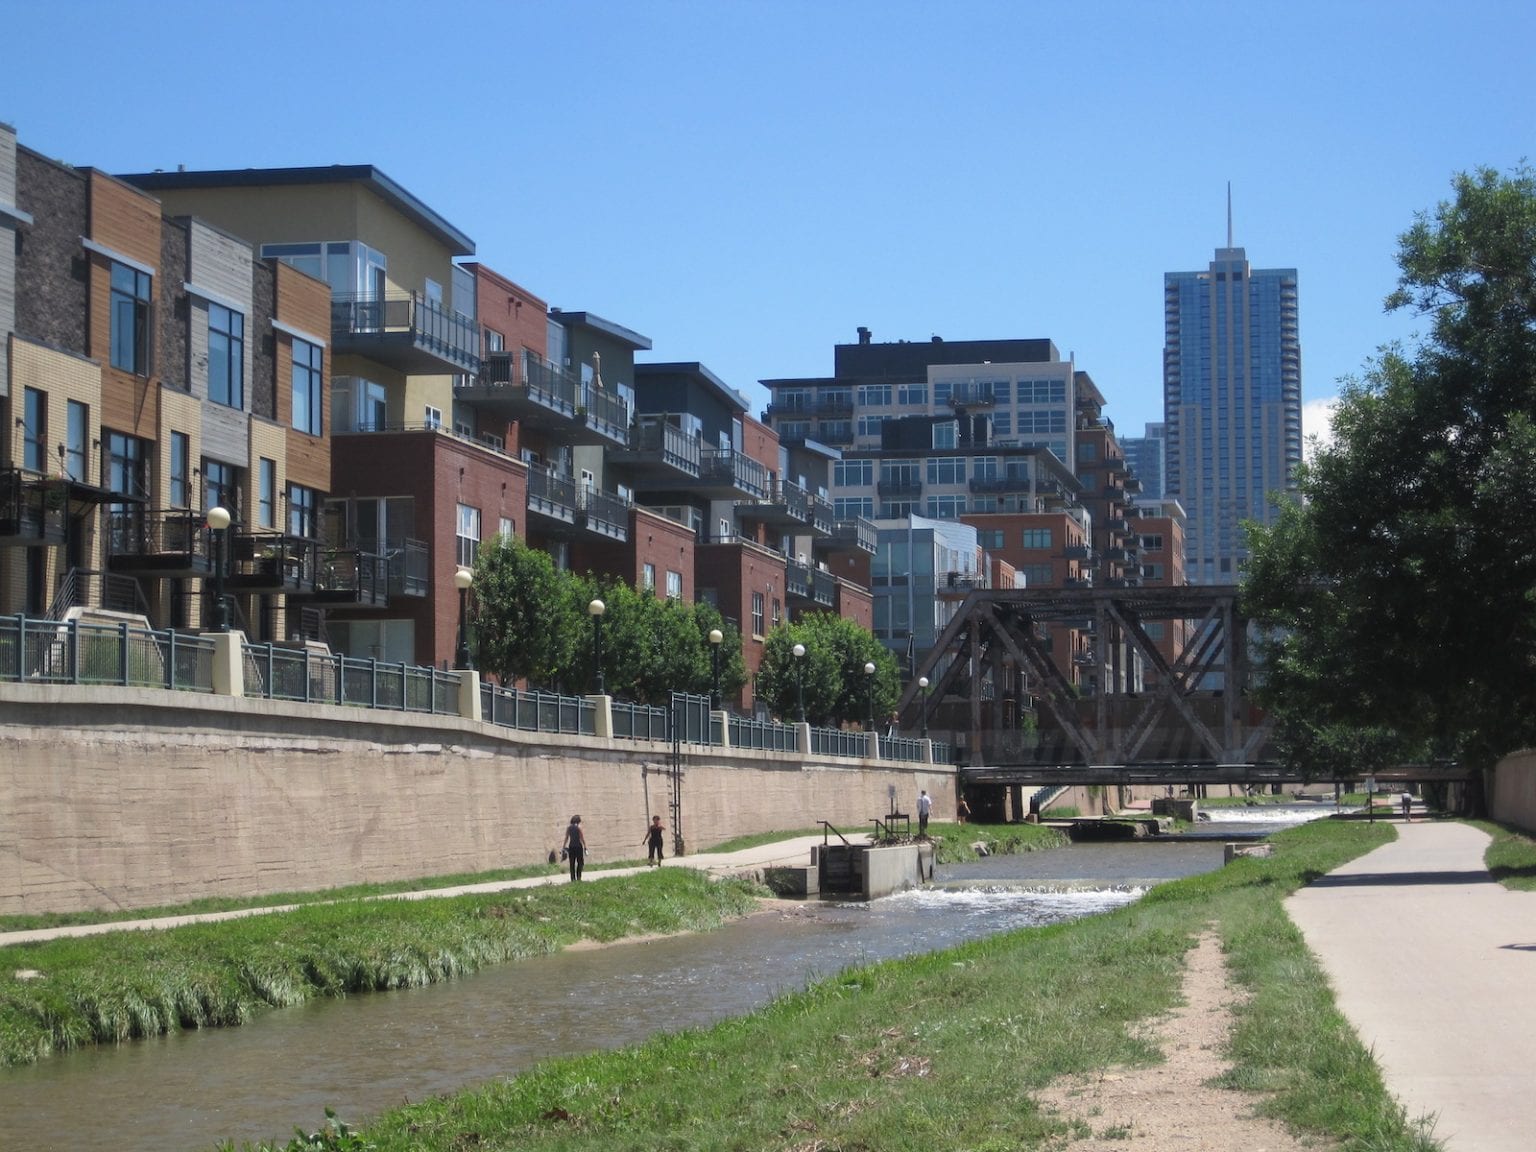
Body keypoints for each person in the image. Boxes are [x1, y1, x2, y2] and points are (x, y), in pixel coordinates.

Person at [564, 815, 586, 881]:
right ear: (578, 821)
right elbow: (582, 838)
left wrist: (564, 846)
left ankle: (572, 878)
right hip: (578, 847)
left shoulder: (568, 828)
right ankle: (578, 877)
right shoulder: (578, 828)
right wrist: (585, 846)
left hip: (571, 847)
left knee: (572, 863)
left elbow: (566, 838)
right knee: (580, 862)